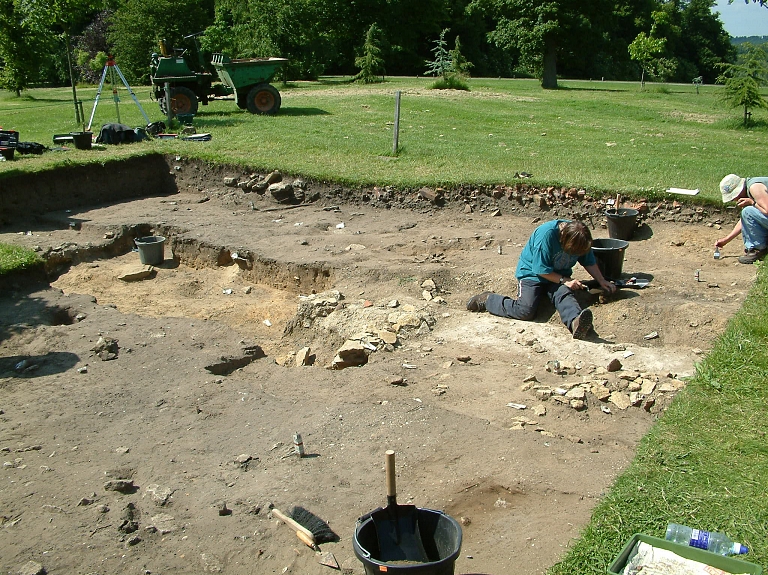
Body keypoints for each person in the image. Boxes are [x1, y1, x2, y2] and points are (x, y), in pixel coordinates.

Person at [466, 219, 616, 339]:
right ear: (563, 240)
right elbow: (540, 269)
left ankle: (576, 322)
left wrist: (601, 280)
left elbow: (588, 261)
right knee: (525, 311)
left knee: (564, 295)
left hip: (558, 274)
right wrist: (565, 280)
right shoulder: (546, 235)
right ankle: (488, 300)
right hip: (532, 274)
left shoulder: (579, 238)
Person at [715, 174, 768, 264]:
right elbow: (746, 219)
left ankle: (758, 249)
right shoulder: (749, 191)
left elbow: (766, 210)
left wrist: (752, 202)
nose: (735, 200)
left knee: (747, 211)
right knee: (747, 212)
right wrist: (726, 240)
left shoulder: (755, 187)